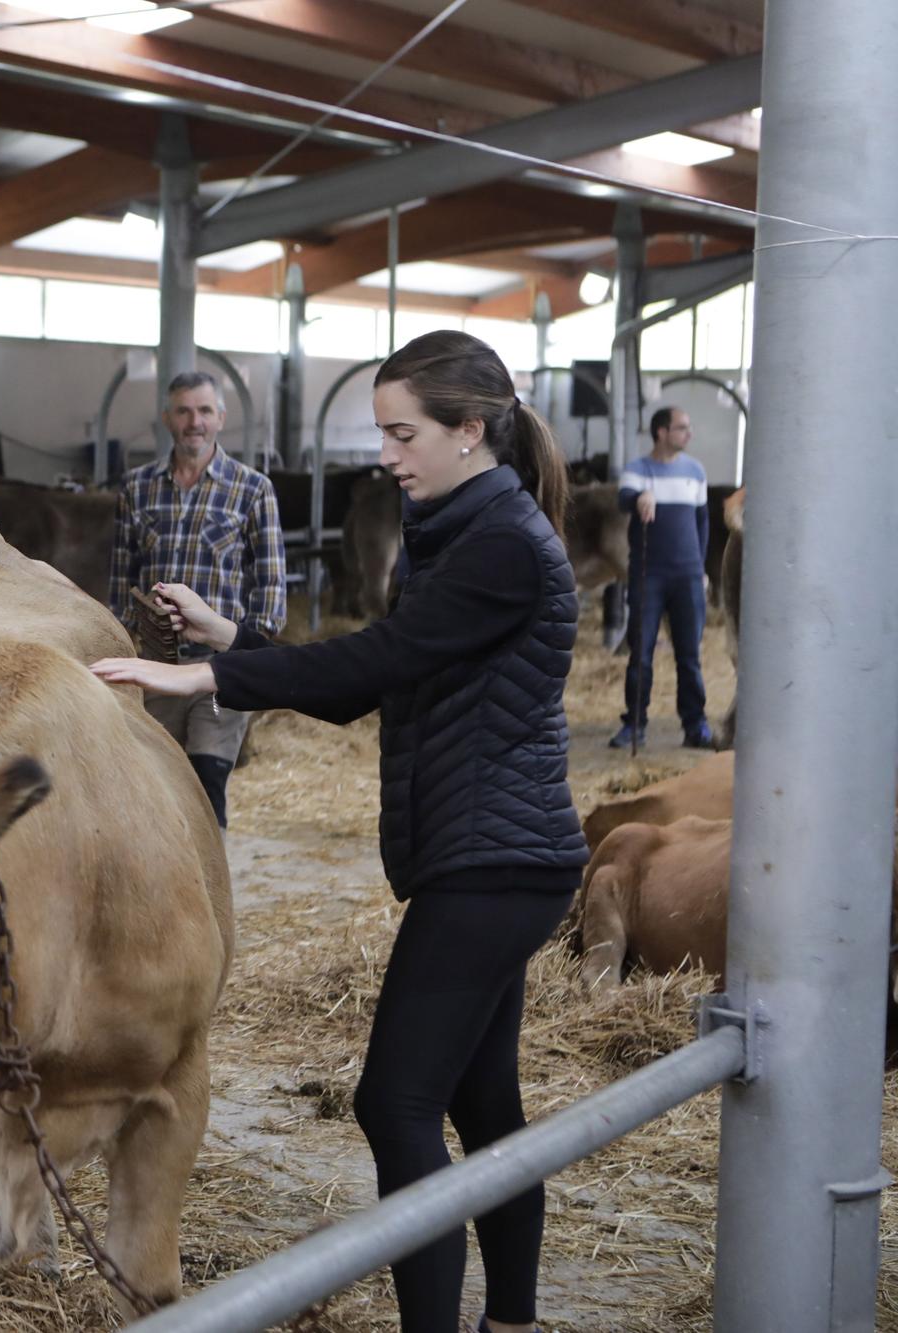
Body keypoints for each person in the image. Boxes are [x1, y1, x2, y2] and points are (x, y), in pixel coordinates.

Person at [92, 330, 586, 1333]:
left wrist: (205, 677)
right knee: (479, 1101)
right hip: (489, 852)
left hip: (494, 860)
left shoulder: (498, 542)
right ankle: (514, 1322)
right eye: (382, 432)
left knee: (393, 1102)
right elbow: (375, 679)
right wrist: (229, 636)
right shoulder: (459, 523)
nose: (385, 454)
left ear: (470, 430)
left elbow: (373, 662)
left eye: (402, 433)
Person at [106, 370, 285, 828]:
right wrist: (127, 638)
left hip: (217, 669)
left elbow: (270, 583)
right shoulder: (137, 487)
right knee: (152, 784)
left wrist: (253, 655)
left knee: (207, 783)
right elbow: (121, 574)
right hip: (157, 666)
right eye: (183, 411)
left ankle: (209, 895)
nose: (194, 422)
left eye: (204, 410)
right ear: (167, 418)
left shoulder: (252, 489)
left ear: (221, 418)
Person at [611, 407, 713, 749]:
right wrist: (641, 496)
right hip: (648, 574)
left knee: (689, 655)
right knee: (641, 652)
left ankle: (695, 725)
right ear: (661, 432)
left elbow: (702, 524)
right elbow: (624, 499)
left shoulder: (695, 472)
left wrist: (700, 568)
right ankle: (635, 725)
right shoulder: (638, 470)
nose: (689, 434)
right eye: (682, 428)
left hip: (687, 576)